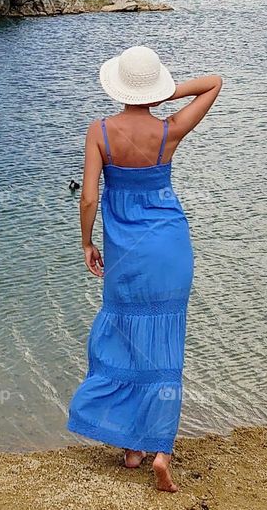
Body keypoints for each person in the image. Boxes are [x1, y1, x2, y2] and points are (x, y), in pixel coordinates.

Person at [67, 45, 222, 493]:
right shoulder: (170, 129)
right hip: (170, 246)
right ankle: (156, 449)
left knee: (124, 336)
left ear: (117, 86)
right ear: (155, 88)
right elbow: (214, 83)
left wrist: (86, 242)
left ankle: (132, 446)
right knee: (166, 346)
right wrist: (166, 93)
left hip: (127, 252)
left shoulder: (99, 130)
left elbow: (89, 198)